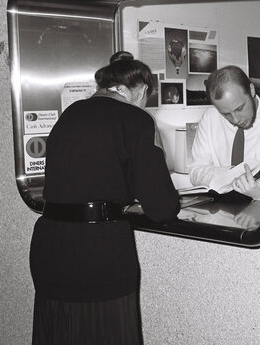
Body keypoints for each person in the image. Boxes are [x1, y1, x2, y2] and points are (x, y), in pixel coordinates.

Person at [30, 58, 180, 344]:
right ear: (139, 89)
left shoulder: (70, 114)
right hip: (98, 254)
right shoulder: (136, 120)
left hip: (50, 249)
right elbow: (162, 208)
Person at [189, 65, 260, 199]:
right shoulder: (210, 118)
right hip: (221, 211)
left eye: (239, 108)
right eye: (226, 114)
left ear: (251, 90)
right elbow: (195, 172)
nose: (236, 119)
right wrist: (231, 174)